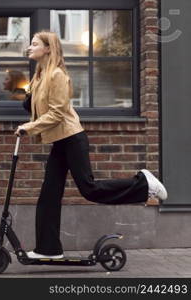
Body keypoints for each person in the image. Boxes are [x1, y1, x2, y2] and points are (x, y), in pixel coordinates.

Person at [13, 30, 168, 259]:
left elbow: (57, 114)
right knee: (49, 194)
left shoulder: (57, 75)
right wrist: (27, 94)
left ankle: (143, 184)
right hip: (60, 141)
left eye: (35, 44)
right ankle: (48, 249)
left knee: (90, 189)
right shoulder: (41, 75)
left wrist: (29, 127)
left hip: (72, 139)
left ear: (48, 48)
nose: (30, 47)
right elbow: (35, 108)